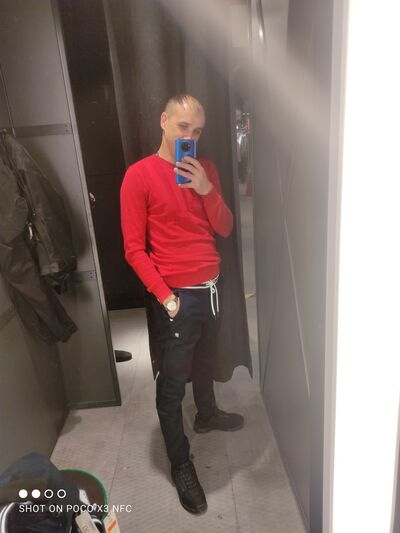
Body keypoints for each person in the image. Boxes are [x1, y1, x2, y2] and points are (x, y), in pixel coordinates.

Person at [120, 94, 244, 514]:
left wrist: (206, 190)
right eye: (183, 127)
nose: (190, 136)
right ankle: (180, 463)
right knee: (172, 385)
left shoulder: (205, 170)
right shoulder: (139, 176)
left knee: (206, 359)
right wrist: (167, 298)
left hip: (213, 288)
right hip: (177, 297)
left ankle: (207, 415)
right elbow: (134, 249)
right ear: (163, 121)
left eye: (198, 130)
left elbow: (225, 228)